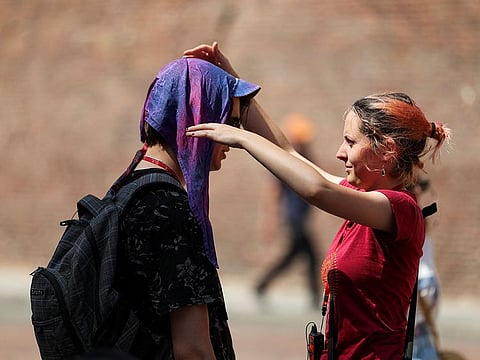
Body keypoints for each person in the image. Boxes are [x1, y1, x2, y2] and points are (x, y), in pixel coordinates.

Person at [184, 42, 450, 359]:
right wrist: (234, 83)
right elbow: (291, 154)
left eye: (350, 142)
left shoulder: (401, 208)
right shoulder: (365, 198)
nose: (340, 152)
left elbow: (316, 190)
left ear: (387, 151)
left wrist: (242, 137)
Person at [112, 57, 260, 359]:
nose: (233, 139)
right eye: (229, 123)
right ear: (198, 118)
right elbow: (193, 350)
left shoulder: (128, 188)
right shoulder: (169, 210)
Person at [256, 113, 321, 309]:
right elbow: (273, 192)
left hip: (299, 218)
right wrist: (270, 221)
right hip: (294, 219)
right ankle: (314, 296)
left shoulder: (305, 159)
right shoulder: (287, 162)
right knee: (311, 256)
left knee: (294, 256)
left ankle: (262, 285)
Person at [408, 178, 441, 360]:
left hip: (419, 283)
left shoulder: (413, 214)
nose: (419, 190)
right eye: (414, 185)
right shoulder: (412, 214)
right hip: (423, 282)